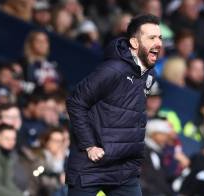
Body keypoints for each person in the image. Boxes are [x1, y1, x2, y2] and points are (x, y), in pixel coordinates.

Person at [65, 14, 162, 196]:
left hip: (124, 169)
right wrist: (89, 146)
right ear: (134, 42)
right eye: (151, 38)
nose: (158, 43)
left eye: (160, 38)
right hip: (91, 166)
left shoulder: (150, 74)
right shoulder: (112, 70)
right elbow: (75, 102)